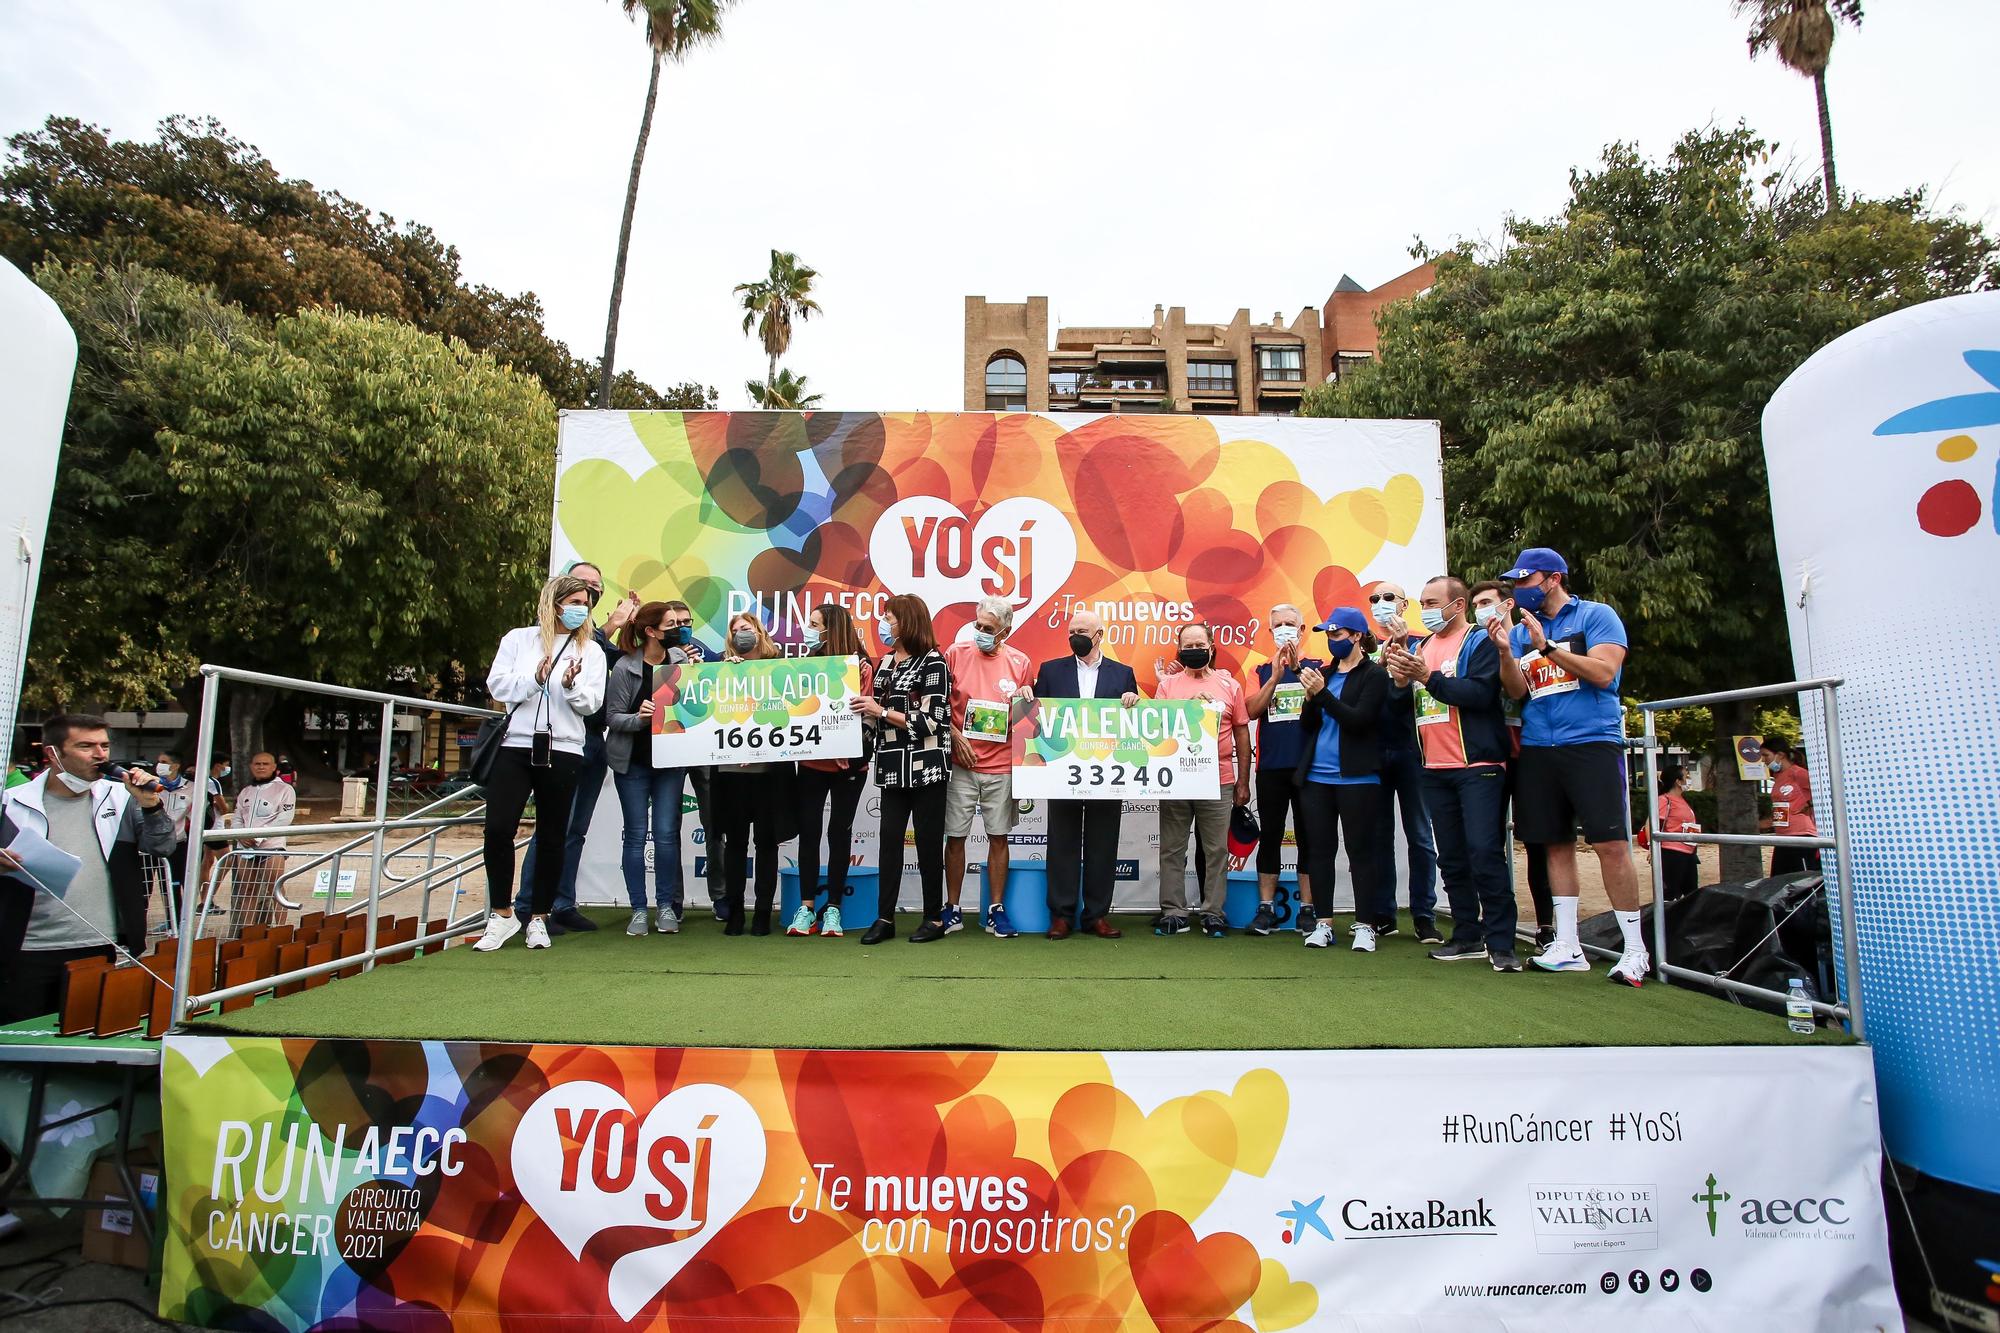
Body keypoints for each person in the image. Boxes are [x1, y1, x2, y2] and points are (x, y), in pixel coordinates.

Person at [1488, 547, 1648, 985]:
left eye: (1526, 581)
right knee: (1554, 844)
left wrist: (1548, 646)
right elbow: (1518, 689)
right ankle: (1567, 943)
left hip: (1593, 742)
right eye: (1516, 583)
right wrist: (1505, 650)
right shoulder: (1521, 630)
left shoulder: (1596, 616)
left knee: (1611, 844)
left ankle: (1635, 951)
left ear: (1553, 579)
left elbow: (1603, 673)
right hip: (1540, 746)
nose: (1519, 591)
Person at [1, 715, 175, 1023]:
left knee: (87, 1037)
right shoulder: (12, 803)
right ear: (52, 753)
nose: (100, 754)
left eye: (104, 745)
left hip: (98, 944)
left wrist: (151, 804)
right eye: (86, 746)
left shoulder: (121, 798)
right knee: (21, 1042)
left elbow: (162, 847)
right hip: (27, 948)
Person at [1382, 577, 1518, 970]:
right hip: (1434, 767)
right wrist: (1400, 681)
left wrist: (1427, 677)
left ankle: (1502, 943)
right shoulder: (1420, 647)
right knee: (1453, 858)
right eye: (1421, 602)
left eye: (1431, 602)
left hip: (1478, 766)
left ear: (1457, 606)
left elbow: (1479, 694)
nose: (1424, 609)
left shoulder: (1479, 641)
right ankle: (1466, 935)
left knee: (1484, 853)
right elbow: (1399, 709)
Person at [474, 573, 608, 952]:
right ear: (554, 602)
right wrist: (536, 678)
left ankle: (538, 917)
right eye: (575, 601)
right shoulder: (518, 639)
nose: (581, 608)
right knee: (499, 828)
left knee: (553, 834)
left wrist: (569, 685)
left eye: (586, 602)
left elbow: (591, 703)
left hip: (564, 748)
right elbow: (498, 686)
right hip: (515, 746)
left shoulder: (592, 651)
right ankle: (500, 914)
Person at [513, 559, 640, 936]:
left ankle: (561, 903)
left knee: (575, 830)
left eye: (595, 589)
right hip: (556, 741)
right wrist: (613, 625)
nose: (590, 593)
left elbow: (616, 669)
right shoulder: (540, 636)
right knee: (553, 827)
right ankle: (527, 907)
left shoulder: (595, 643)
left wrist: (628, 633)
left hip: (593, 741)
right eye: (582, 586)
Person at [1033, 610, 1140, 940]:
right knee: (1062, 843)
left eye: (1082, 630)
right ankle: (1062, 915)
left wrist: (1133, 700)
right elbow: (1037, 718)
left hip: (1107, 773)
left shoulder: (1123, 673)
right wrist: (1026, 698)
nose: (1075, 635)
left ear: (1099, 635)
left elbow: (1132, 724)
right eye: (1071, 631)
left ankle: (1096, 916)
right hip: (1063, 771)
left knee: (1103, 844)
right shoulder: (1050, 670)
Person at [853, 594, 952, 945]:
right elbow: (873, 713)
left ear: (906, 622)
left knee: (927, 845)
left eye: (889, 617)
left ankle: (933, 918)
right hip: (892, 766)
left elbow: (931, 721)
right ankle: (885, 917)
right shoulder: (885, 664)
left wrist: (879, 711)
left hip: (927, 768)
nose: (884, 623)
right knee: (889, 843)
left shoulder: (934, 662)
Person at [942, 596, 1036, 939]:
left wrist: (1027, 699)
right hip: (961, 764)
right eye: (978, 625)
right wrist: (954, 737)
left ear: (1005, 631)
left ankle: (996, 910)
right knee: (955, 837)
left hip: (1002, 766)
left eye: (988, 629)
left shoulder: (1021, 662)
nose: (980, 632)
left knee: (999, 837)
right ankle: (951, 907)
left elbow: (1027, 719)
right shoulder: (955, 653)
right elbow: (939, 706)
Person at [1294, 609, 1387, 951]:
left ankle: (1365, 924)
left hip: (1358, 777)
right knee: (1319, 851)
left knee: (1361, 851)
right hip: (1317, 776)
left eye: (1338, 635)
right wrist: (1310, 700)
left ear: (1358, 636)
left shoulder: (1374, 675)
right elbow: (1308, 726)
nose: (1333, 641)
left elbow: (1360, 721)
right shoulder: (1325, 674)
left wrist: (1322, 695)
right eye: (1329, 636)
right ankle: (1323, 922)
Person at [1152, 623, 1252, 938]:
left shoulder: (1230, 685)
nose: (1193, 649)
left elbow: (1241, 733)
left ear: (1211, 646)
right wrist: (1187, 710)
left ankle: (1213, 913)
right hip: (1176, 779)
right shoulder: (1167, 685)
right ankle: (1173, 912)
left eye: (1199, 644)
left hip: (1218, 779)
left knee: (1216, 850)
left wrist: (1243, 781)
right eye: (1187, 645)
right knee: (1171, 848)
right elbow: (1156, 729)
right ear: (1179, 649)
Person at [1471, 581, 1555, 950]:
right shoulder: (1472, 644)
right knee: (1486, 843)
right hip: (1488, 755)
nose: (1481, 609)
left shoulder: (1526, 637)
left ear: (1507, 604)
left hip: (1531, 752)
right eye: (1475, 604)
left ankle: (1546, 926)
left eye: (1486, 602)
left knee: (1537, 841)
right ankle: (1494, 923)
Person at [603, 601, 690, 936]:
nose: (678, 629)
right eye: (670, 624)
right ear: (651, 631)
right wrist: (639, 718)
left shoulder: (680, 661)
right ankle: (639, 909)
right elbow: (613, 717)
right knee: (636, 836)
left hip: (670, 763)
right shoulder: (626, 667)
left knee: (667, 836)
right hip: (633, 764)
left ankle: (666, 906)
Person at [790, 604, 874, 937]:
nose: (808, 629)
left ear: (831, 629)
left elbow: (868, 719)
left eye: (814, 624)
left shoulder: (863, 667)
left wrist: (850, 752)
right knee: (809, 831)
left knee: (839, 833)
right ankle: (807, 908)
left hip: (850, 768)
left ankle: (834, 910)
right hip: (811, 764)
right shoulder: (805, 665)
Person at [711, 612, 795, 936]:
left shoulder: (782, 668)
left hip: (769, 775)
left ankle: (762, 914)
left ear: (759, 632)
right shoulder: (719, 669)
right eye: (735, 630)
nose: (741, 634)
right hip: (729, 773)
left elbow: (788, 716)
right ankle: (734, 913)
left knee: (767, 844)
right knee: (734, 844)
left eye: (746, 628)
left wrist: (758, 747)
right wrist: (725, 673)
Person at [1365, 582, 1441, 944]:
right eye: (1375, 599)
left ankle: (1424, 915)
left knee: (1421, 837)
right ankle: (1384, 914)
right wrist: (1380, 665)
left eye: (1389, 598)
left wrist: (1405, 651)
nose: (1381, 604)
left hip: (1414, 751)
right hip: (1375, 754)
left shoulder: (1427, 644)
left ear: (1404, 604)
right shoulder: (1365, 651)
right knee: (1379, 838)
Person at [1243, 605, 1318, 934]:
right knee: (1270, 836)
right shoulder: (1258, 671)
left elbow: (1324, 709)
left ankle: (1308, 907)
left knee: (1309, 837)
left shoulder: (1319, 667)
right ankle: (1266, 908)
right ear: (1270, 632)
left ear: (1302, 631)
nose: (1285, 629)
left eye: (1291, 624)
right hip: (1271, 766)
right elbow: (1251, 710)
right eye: (1278, 625)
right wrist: (1274, 677)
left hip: (1310, 768)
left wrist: (1299, 670)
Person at [232, 752, 295, 934]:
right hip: (245, 847)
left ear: (274, 767)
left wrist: (258, 837)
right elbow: (238, 816)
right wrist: (240, 836)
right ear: (251, 766)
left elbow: (284, 818)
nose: (261, 767)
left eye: (265, 764)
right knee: (247, 889)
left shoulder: (285, 790)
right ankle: (248, 932)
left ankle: (282, 931)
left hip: (272, 845)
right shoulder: (246, 791)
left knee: (275, 887)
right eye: (257, 763)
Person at [1759, 741, 1820, 877]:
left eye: (1766, 755)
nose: (1763, 760)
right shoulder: (1778, 776)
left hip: (1801, 836)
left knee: (1801, 880)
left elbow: (1826, 791)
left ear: (1780, 755)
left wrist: (1809, 805)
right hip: (1782, 836)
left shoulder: (1798, 773)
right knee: (1778, 880)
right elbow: (1781, 808)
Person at [153, 749, 196, 919]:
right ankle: (171, 921)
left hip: (178, 844)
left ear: (175, 766)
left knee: (179, 883)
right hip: (152, 844)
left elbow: (197, 818)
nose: (159, 766)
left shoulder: (191, 788)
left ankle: (183, 921)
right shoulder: (152, 785)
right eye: (159, 761)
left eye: (164, 762)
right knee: (161, 886)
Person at [1656, 763, 1702, 900]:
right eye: (1686, 776)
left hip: (1689, 852)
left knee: (1691, 893)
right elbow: (1654, 825)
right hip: (1672, 852)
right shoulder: (1664, 800)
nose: (1689, 779)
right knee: (1670, 892)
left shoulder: (1682, 800)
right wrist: (1653, 850)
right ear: (1677, 781)